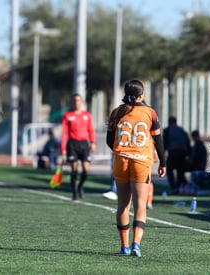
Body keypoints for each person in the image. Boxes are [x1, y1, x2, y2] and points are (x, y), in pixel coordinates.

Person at [106, 79, 166, 257]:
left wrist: (122, 152)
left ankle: (124, 246)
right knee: (140, 206)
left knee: (123, 206)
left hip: (121, 161)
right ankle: (136, 245)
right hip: (141, 161)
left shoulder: (116, 112)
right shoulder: (150, 113)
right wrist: (163, 162)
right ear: (141, 95)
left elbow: (110, 141)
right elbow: (159, 141)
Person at [61, 93, 96, 201]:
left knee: (86, 169)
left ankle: (80, 186)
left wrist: (93, 142)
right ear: (72, 102)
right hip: (72, 144)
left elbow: (91, 130)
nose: (77, 102)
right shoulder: (68, 116)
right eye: (75, 100)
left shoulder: (87, 115)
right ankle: (74, 192)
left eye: (78, 100)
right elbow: (64, 133)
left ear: (82, 102)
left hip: (84, 144)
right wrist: (62, 149)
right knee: (74, 169)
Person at [163, 116, 191, 194]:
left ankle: (173, 187)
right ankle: (178, 186)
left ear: (169, 122)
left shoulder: (167, 130)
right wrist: (188, 155)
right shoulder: (182, 130)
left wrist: (163, 153)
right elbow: (187, 142)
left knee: (170, 170)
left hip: (173, 152)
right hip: (182, 152)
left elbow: (165, 143)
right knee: (180, 171)